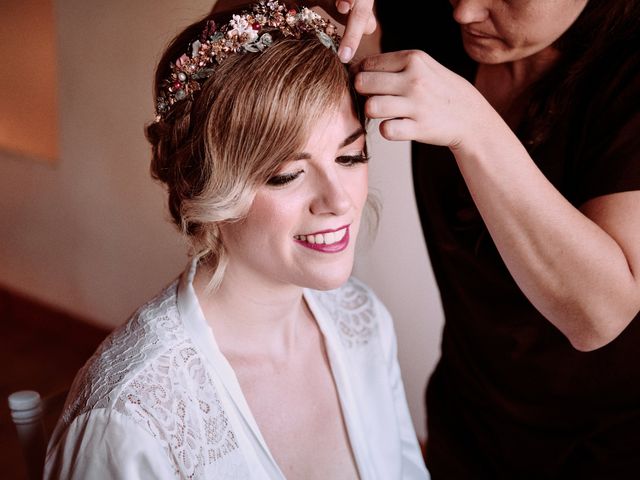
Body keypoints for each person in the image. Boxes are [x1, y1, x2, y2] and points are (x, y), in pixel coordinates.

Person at [43, 2, 429, 478]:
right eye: (287, 175)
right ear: (208, 187)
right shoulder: (128, 421)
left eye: (350, 158)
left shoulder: (364, 322)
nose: (339, 201)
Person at [322, 0, 640, 477]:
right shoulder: (440, 13)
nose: (464, 13)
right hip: (465, 419)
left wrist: (473, 125)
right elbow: (220, 46)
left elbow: (599, 315)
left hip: (606, 447)